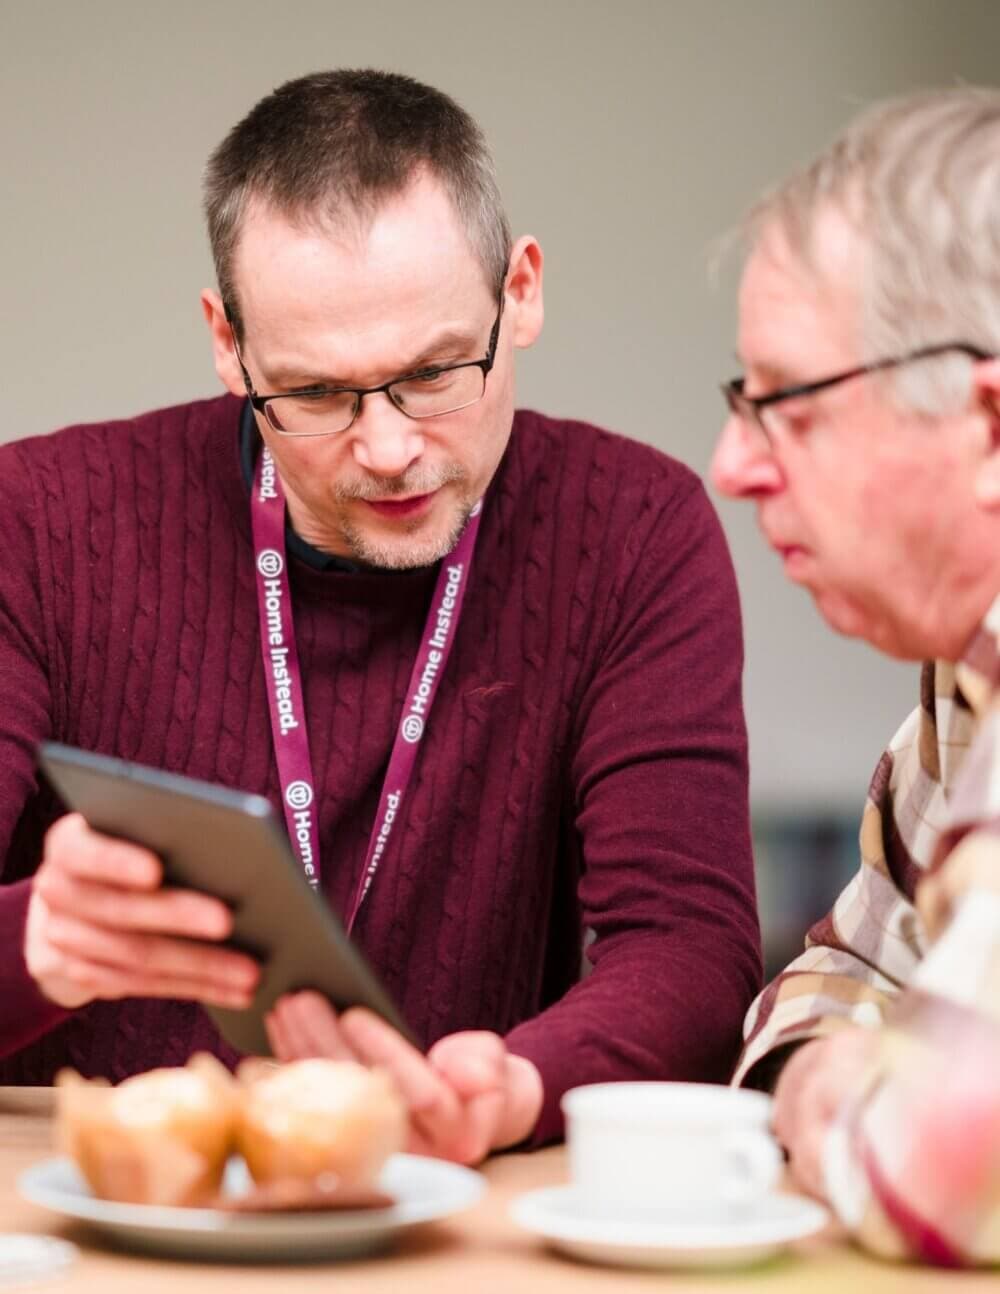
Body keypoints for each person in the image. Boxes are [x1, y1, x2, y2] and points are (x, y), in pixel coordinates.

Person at [0, 69, 760, 1163]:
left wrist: (515, 1085)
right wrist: (38, 944)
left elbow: (688, 947)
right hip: (101, 1210)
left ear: (524, 289)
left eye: (435, 372)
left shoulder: (632, 528)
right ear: (228, 344)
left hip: (456, 1217)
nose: (390, 447)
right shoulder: (39, 522)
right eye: (314, 395)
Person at [711, 88, 1000, 1263]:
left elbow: (931, 1174)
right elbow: (832, 970)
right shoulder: (959, 686)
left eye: (787, 405)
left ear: (987, 425)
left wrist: (845, 1096)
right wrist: (833, 1069)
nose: (731, 465)